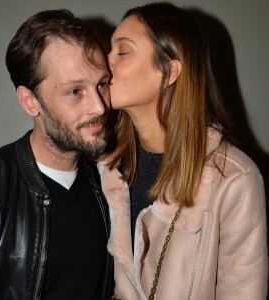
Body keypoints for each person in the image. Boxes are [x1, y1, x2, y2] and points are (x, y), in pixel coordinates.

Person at [99, 2, 268, 299]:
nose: (104, 60)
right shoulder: (104, 167)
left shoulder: (234, 180)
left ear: (169, 71)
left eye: (122, 52)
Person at [0, 9, 113, 299]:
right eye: (75, 91)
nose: (99, 107)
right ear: (30, 101)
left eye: (102, 84)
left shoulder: (111, 186)